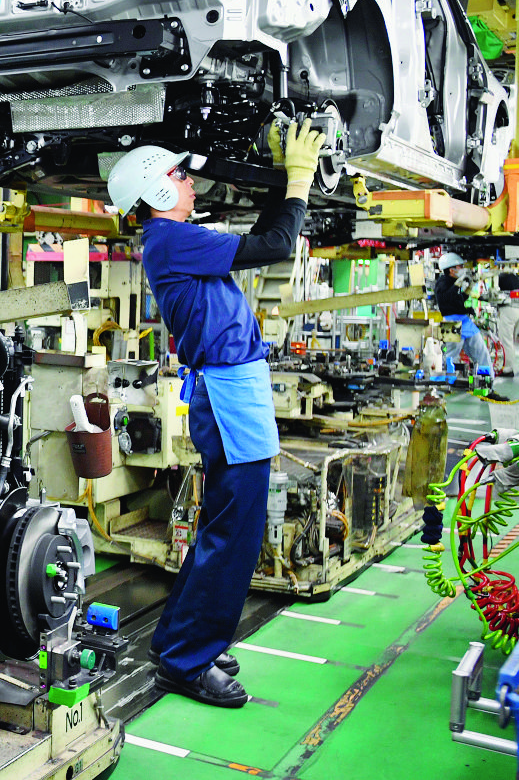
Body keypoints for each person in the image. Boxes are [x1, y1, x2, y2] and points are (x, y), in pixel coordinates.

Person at [106, 120, 325, 708]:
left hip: (233, 388)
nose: (191, 184)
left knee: (221, 528)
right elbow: (275, 244)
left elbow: (262, 237)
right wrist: (298, 180)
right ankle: (186, 661)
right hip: (230, 393)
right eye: (178, 176)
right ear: (153, 195)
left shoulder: (173, 240)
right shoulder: (170, 239)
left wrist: (286, 185)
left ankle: (182, 639)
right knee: (235, 534)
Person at [434, 252, 493, 374]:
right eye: (460, 267)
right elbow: (447, 297)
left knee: (481, 352)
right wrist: (459, 282)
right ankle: (446, 385)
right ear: (451, 270)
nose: (463, 269)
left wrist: (470, 285)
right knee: (450, 357)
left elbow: (459, 298)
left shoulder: (454, 281)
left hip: (465, 320)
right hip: (451, 322)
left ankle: (487, 382)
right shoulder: (442, 282)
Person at [496, 272, 519, 378]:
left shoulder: (501, 278)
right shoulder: (514, 277)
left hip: (508, 309)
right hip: (516, 308)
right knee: (513, 340)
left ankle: (508, 369)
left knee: (506, 340)